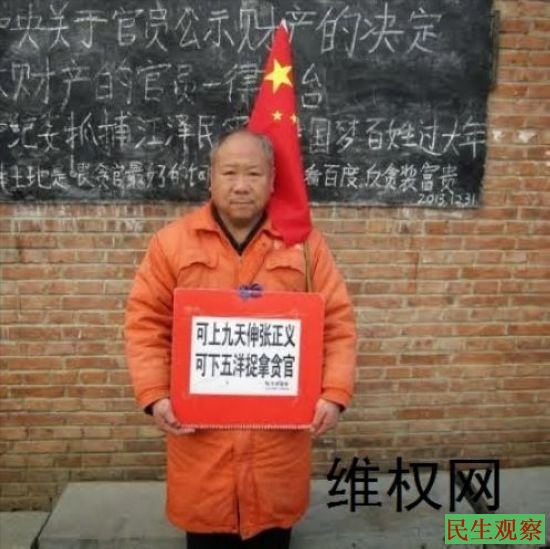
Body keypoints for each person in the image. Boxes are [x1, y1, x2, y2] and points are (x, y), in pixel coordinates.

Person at [125, 128, 356, 549]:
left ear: (272, 180)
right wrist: (155, 394)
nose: (241, 185)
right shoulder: (172, 243)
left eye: (254, 173)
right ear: (211, 177)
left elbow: (337, 322)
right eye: (229, 172)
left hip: (275, 446)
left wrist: (334, 393)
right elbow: (146, 324)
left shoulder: (305, 247)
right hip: (202, 442)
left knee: (272, 535)